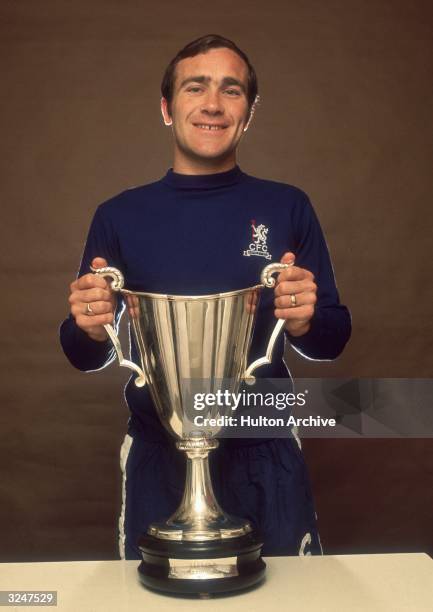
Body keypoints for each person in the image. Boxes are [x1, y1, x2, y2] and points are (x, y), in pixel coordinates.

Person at [60, 34, 351, 560]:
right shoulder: (119, 216)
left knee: (287, 598)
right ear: (168, 109)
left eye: (231, 90)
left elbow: (331, 339)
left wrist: (308, 319)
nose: (213, 104)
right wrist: (86, 323)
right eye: (196, 88)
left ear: (250, 112)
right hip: (159, 455)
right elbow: (85, 353)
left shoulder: (287, 206)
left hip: (266, 451)